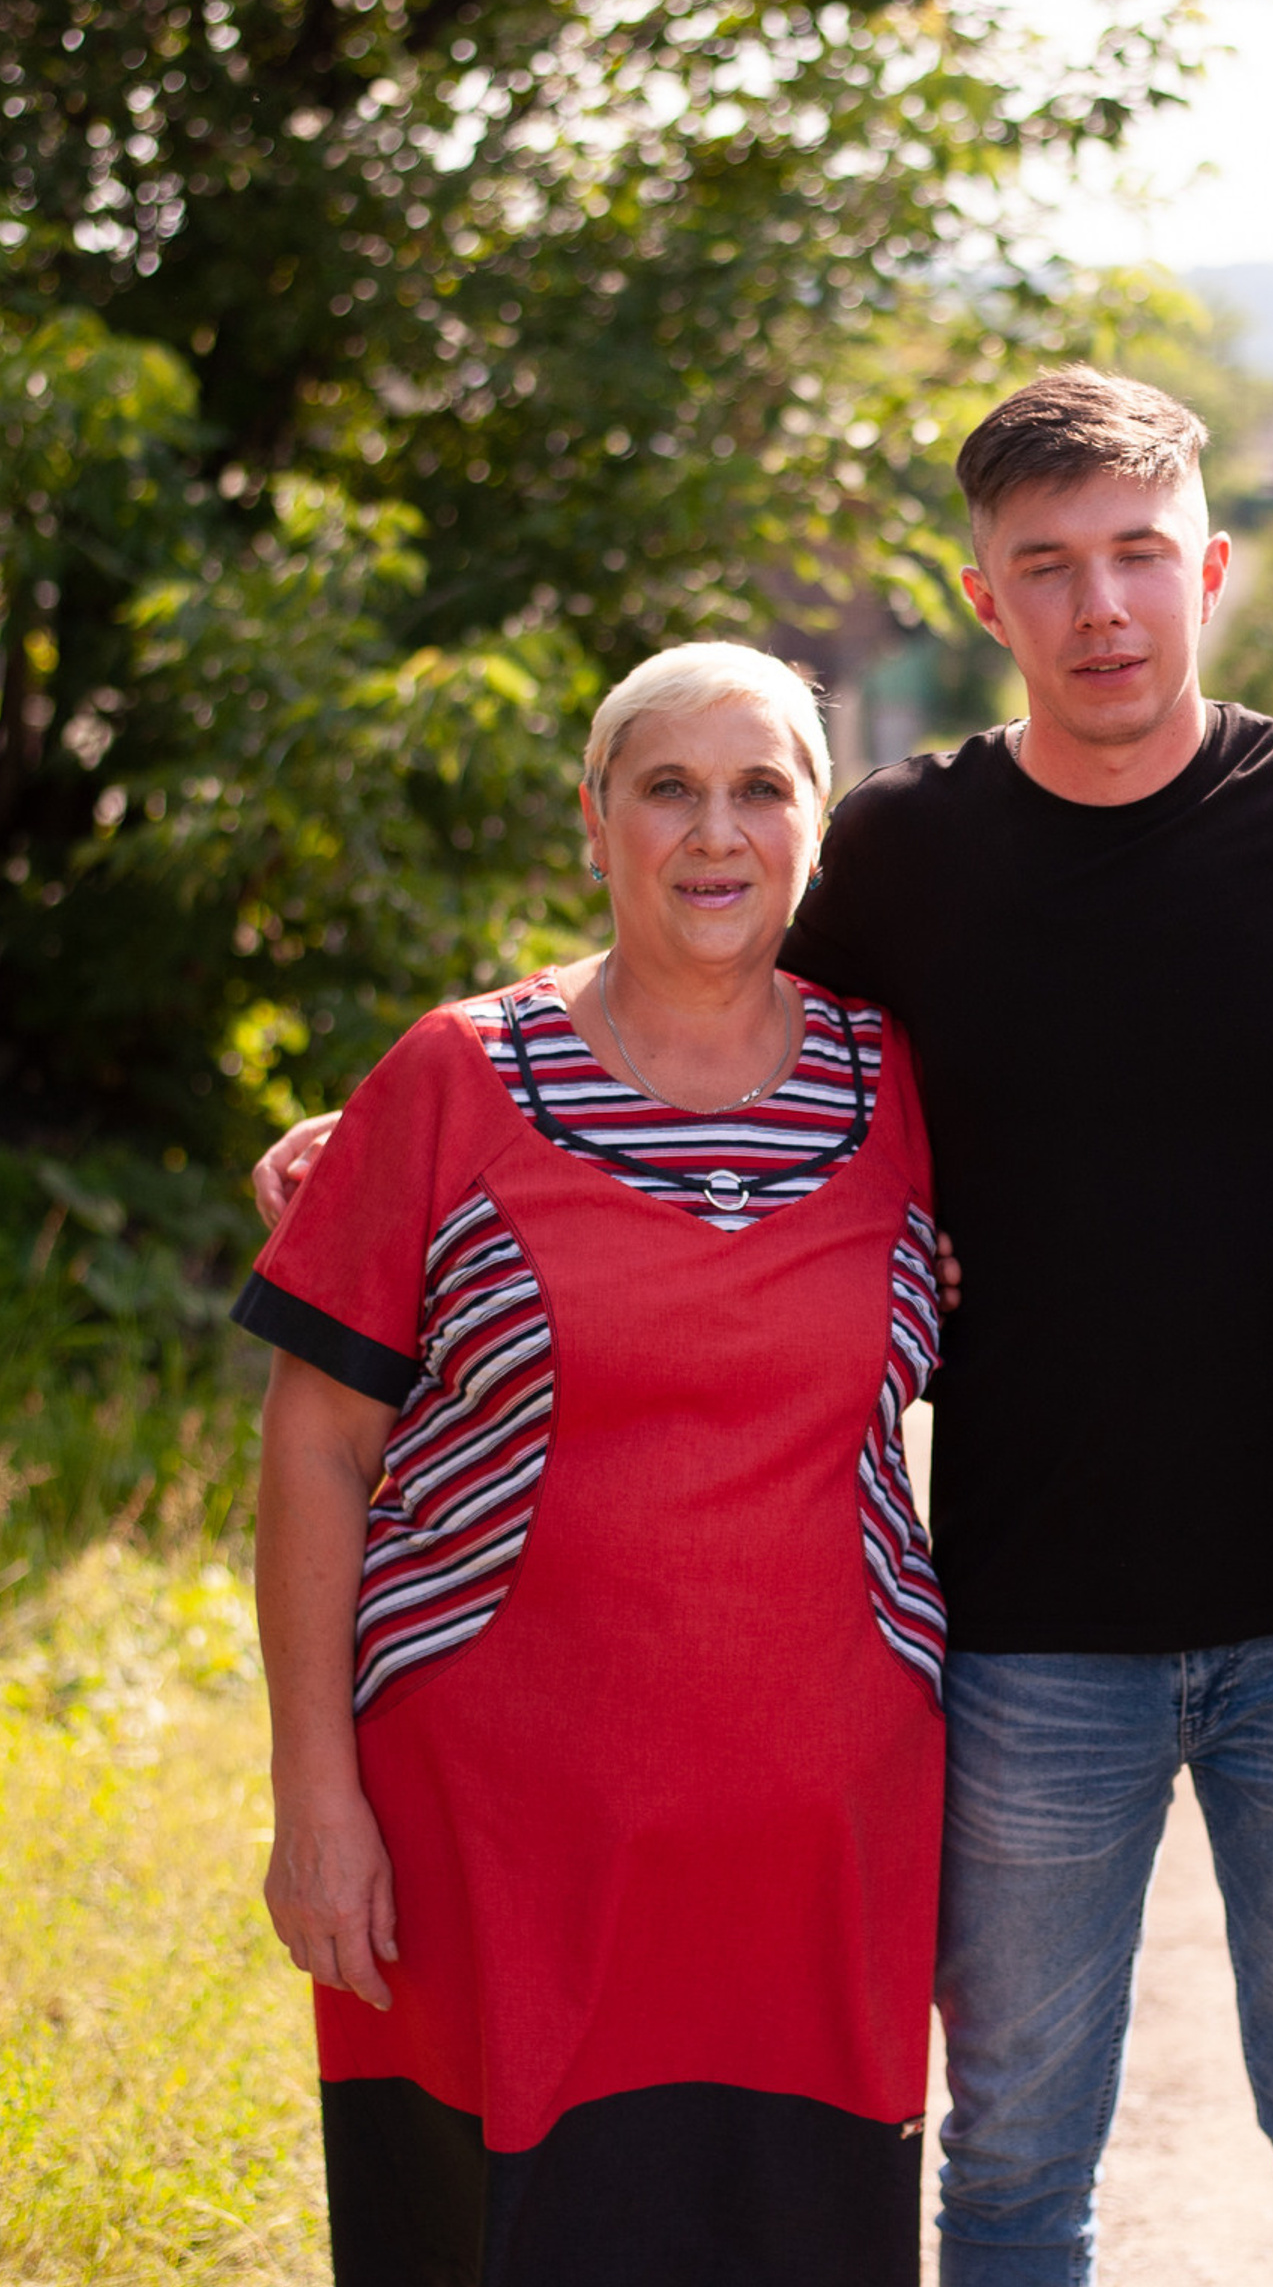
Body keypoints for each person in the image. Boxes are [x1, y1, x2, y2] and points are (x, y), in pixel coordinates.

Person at [256, 368, 1273, 2287]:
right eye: (1048, 567)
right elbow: (673, 968)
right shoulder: (902, 859)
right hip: (1021, 1629)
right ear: (985, 597)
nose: (1101, 607)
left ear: (1213, 572)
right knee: (1009, 2162)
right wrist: (381, 1140)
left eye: (1139, 559)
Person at [240, 645, 947, 2287]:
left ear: (814, 827)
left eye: (762, 788)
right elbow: (317, 1437)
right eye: (669, 789)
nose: (717, 833)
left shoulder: (898, 1079)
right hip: (490, 1852)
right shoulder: (452, 1077)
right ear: (597, 819)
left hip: (817, 1848)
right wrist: (313, 1801)